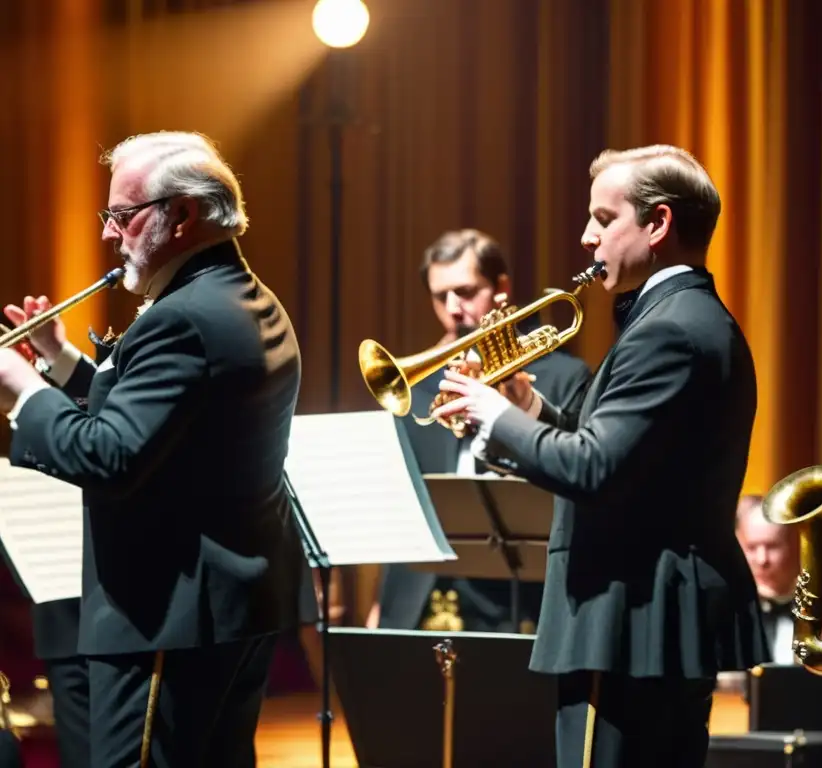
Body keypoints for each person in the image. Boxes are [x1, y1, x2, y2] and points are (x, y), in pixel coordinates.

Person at [433, 145, 768, 767]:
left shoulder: (669, 329)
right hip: (642, 619)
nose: (587, 237)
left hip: (628, 617)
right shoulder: (680, 317)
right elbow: (623, 456)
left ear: (659, 224)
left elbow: (593, 468)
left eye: (604, 218)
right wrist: (525, 406)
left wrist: (489, 411)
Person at [0, 131, 308, 767]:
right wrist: (61, 365)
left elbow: (112, 456)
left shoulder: (182, 318)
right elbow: (169, 422)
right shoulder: (242, 298)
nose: (109, 235)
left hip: (169, 615)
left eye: (122, 214)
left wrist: (22, 390)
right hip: (224, 610)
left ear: (182, 215)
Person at [367, 228, 593, 633]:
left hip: (522, 592)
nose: (454, 309)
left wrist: (516, 409)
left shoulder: (563, 377)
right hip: (427, 589)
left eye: (467, 291)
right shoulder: (417, 389)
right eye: (441, 296)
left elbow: (579, 472)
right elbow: (404, 499)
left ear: (501, 288)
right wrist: (381, 603)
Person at [734, 494, 800, 664]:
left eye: (773, 546)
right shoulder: (725, 614)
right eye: (751, 547)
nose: (762, 560)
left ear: (795, 546)